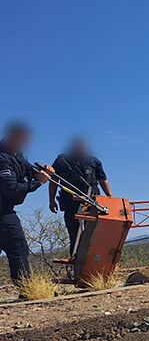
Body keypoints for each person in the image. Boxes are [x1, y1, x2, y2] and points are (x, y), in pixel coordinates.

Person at [0, 122, 53, 285]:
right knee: (18, 245)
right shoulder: (2, 158)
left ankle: (26, 288)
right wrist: (38, 182)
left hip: (5, 210)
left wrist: (42, 171)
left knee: (18, 246)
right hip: (3, 212)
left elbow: (27, 169)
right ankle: (26, 288)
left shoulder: (17, 155)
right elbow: (12, 188)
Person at [49, 136, 112, 252]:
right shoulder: (62, 160)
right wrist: (51, 201)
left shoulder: (93, 161)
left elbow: (103, 180)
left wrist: (110, 199)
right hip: (70, 203)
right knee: (74, 235)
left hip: (92, 203)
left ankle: (95, 264)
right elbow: (53, 181)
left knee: (93, 234)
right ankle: (77, 264)